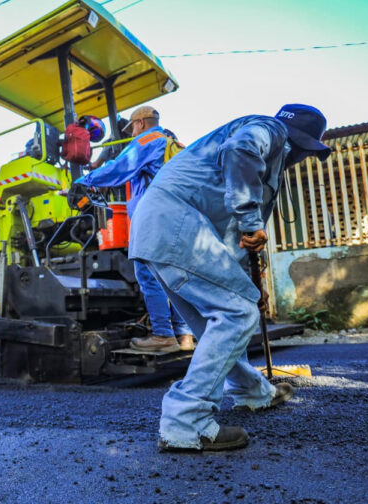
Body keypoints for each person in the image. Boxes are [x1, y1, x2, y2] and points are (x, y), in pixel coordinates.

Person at [129, 104, 332, 451]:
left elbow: (229, 241)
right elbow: (240, 151)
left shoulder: (263, 165)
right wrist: (253, 223)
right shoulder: (267, 131)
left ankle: (253, 391)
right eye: (306, 154)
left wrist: (250, 287)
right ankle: (185, 423)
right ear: (300, 144)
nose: (300, 160)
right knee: (237, 314)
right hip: (176, 223)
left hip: (160, 228)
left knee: (218, 321)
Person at [76, 105, 195, 352]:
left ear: (140, 123)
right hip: (178, 217)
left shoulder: (147, 140)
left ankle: (163, 335)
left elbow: (118, 168)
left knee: (147, 273)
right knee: (173, 277)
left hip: (155, 219)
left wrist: (83, 181)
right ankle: (184, 336)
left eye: (132, 128)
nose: (131, 132)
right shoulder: (171, 142)